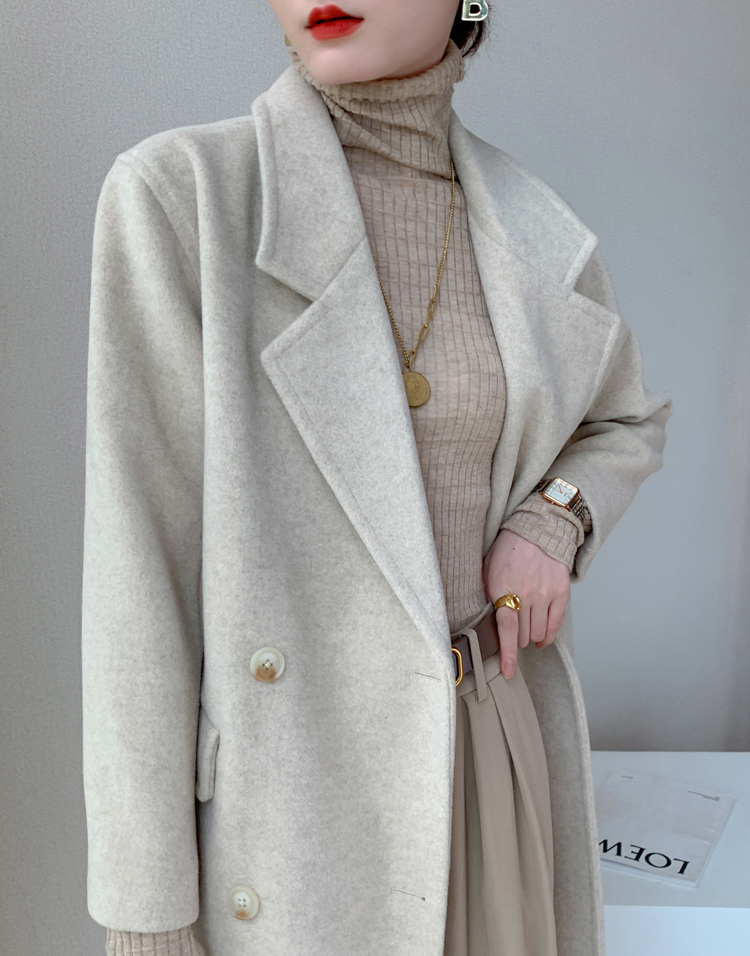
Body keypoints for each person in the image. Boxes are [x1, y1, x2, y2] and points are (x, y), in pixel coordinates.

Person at [81, 2, 672, 955]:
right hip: (297, 805)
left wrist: (553, 520)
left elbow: (622, 418)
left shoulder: (531, 227)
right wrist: (147, 915)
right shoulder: (185, 198)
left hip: (487, 753)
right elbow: (134, 580)